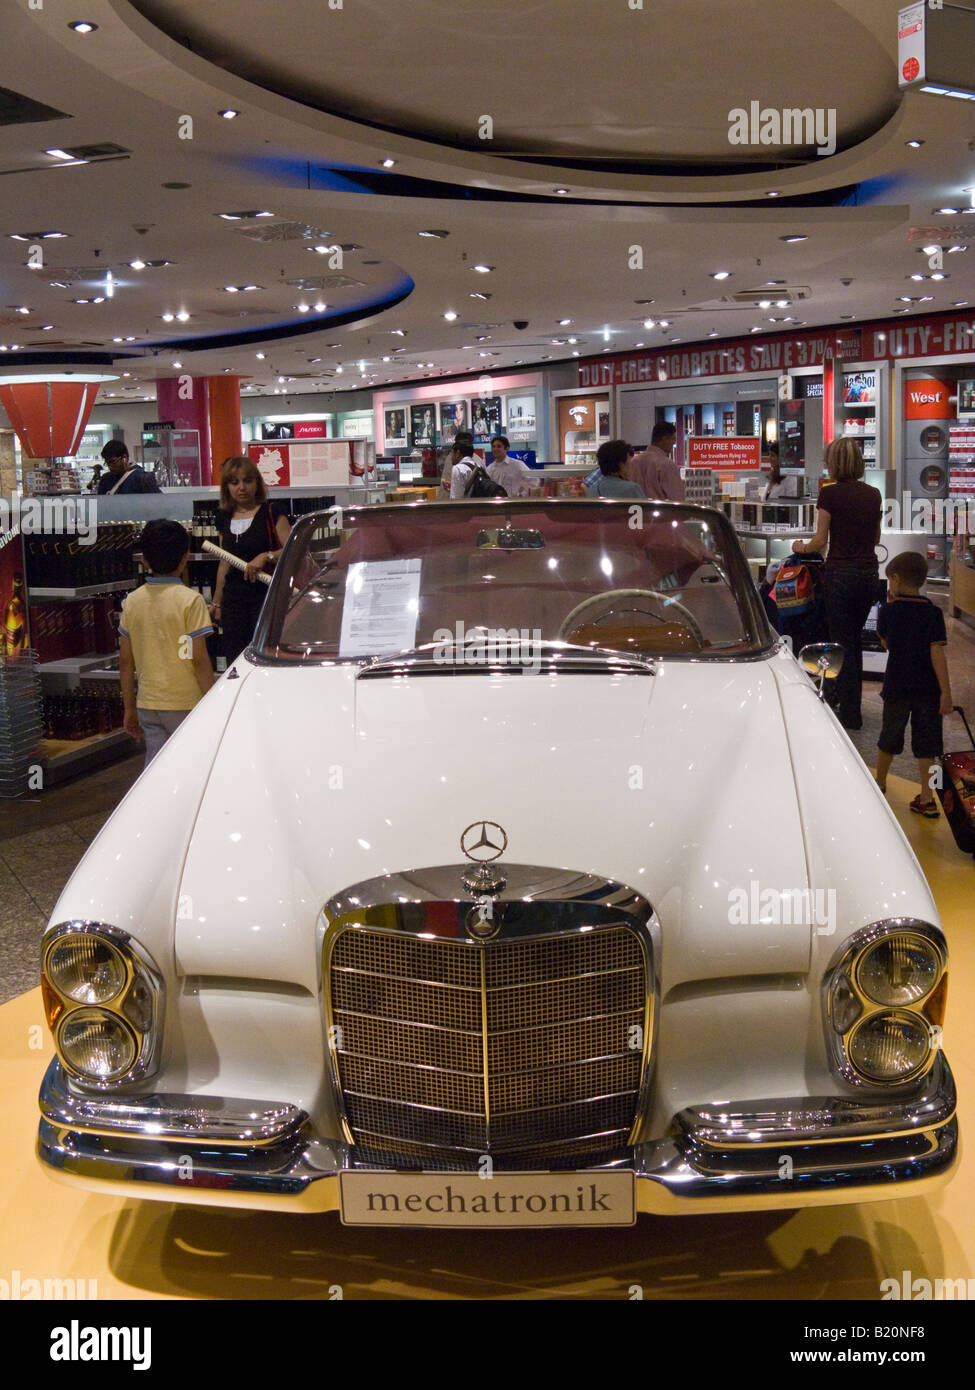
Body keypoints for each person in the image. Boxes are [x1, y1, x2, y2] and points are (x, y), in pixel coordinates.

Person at [794, 438, 882, 729]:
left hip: (840, 574)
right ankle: (849, 706)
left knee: (841, 642)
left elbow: (820, 541)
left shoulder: (829, 494)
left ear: (834, 462)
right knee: (854, 639)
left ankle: (847, 711)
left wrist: (798, 547)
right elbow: (876, 538)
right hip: (868, 574)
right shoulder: (873, 495)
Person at [118, 519, 214, 767]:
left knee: (156, 767)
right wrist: (213, 702)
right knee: (192, 766)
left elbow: (126, 663)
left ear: (144, 561)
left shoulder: (132, 602)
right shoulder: (191, 601)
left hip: (148, 703)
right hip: (186, 702)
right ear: (186, 558)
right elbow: (199, 660)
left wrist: (129, 708)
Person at [875, 552, 953, 816]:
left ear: (895, 579)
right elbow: (937, 654)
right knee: (928, 745)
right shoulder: (932, 613)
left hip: (897, 686)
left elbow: (886, 643)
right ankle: (928, 799)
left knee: (889, 737)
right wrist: (946, 692)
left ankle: (880, 783)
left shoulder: (888, 611)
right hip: (928, 690)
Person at [210, 456, 292, 663]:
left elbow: (293, 549)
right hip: (233, 602)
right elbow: (224, 562)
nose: (242, 487)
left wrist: (267, 556)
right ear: (226, 487)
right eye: (234, 482)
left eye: (247, 481)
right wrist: (217, 603)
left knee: (267, 659)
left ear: (257, 482)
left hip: (266, 599)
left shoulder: (272, 512)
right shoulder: (224, 516)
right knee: (235, 661)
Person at [628, 422, 684, 501]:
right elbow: (677, 499)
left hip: (637, 511)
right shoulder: (667, 464)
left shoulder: (634, 462)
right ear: (665, 439)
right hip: (662, 511)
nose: (674, 443)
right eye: (673, 439)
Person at [96, 440, 161, 495]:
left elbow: (157, 503)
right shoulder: (105, 479)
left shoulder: (143, 478)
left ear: (125, 458)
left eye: (113, 462)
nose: (110, 466)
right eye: (107, 463)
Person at [447, 433, 481, 497]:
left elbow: (456, 499)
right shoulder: (478, 466)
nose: (451, 457)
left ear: (457, 453)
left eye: (452, 453)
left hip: (465, 506)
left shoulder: (458, 468)